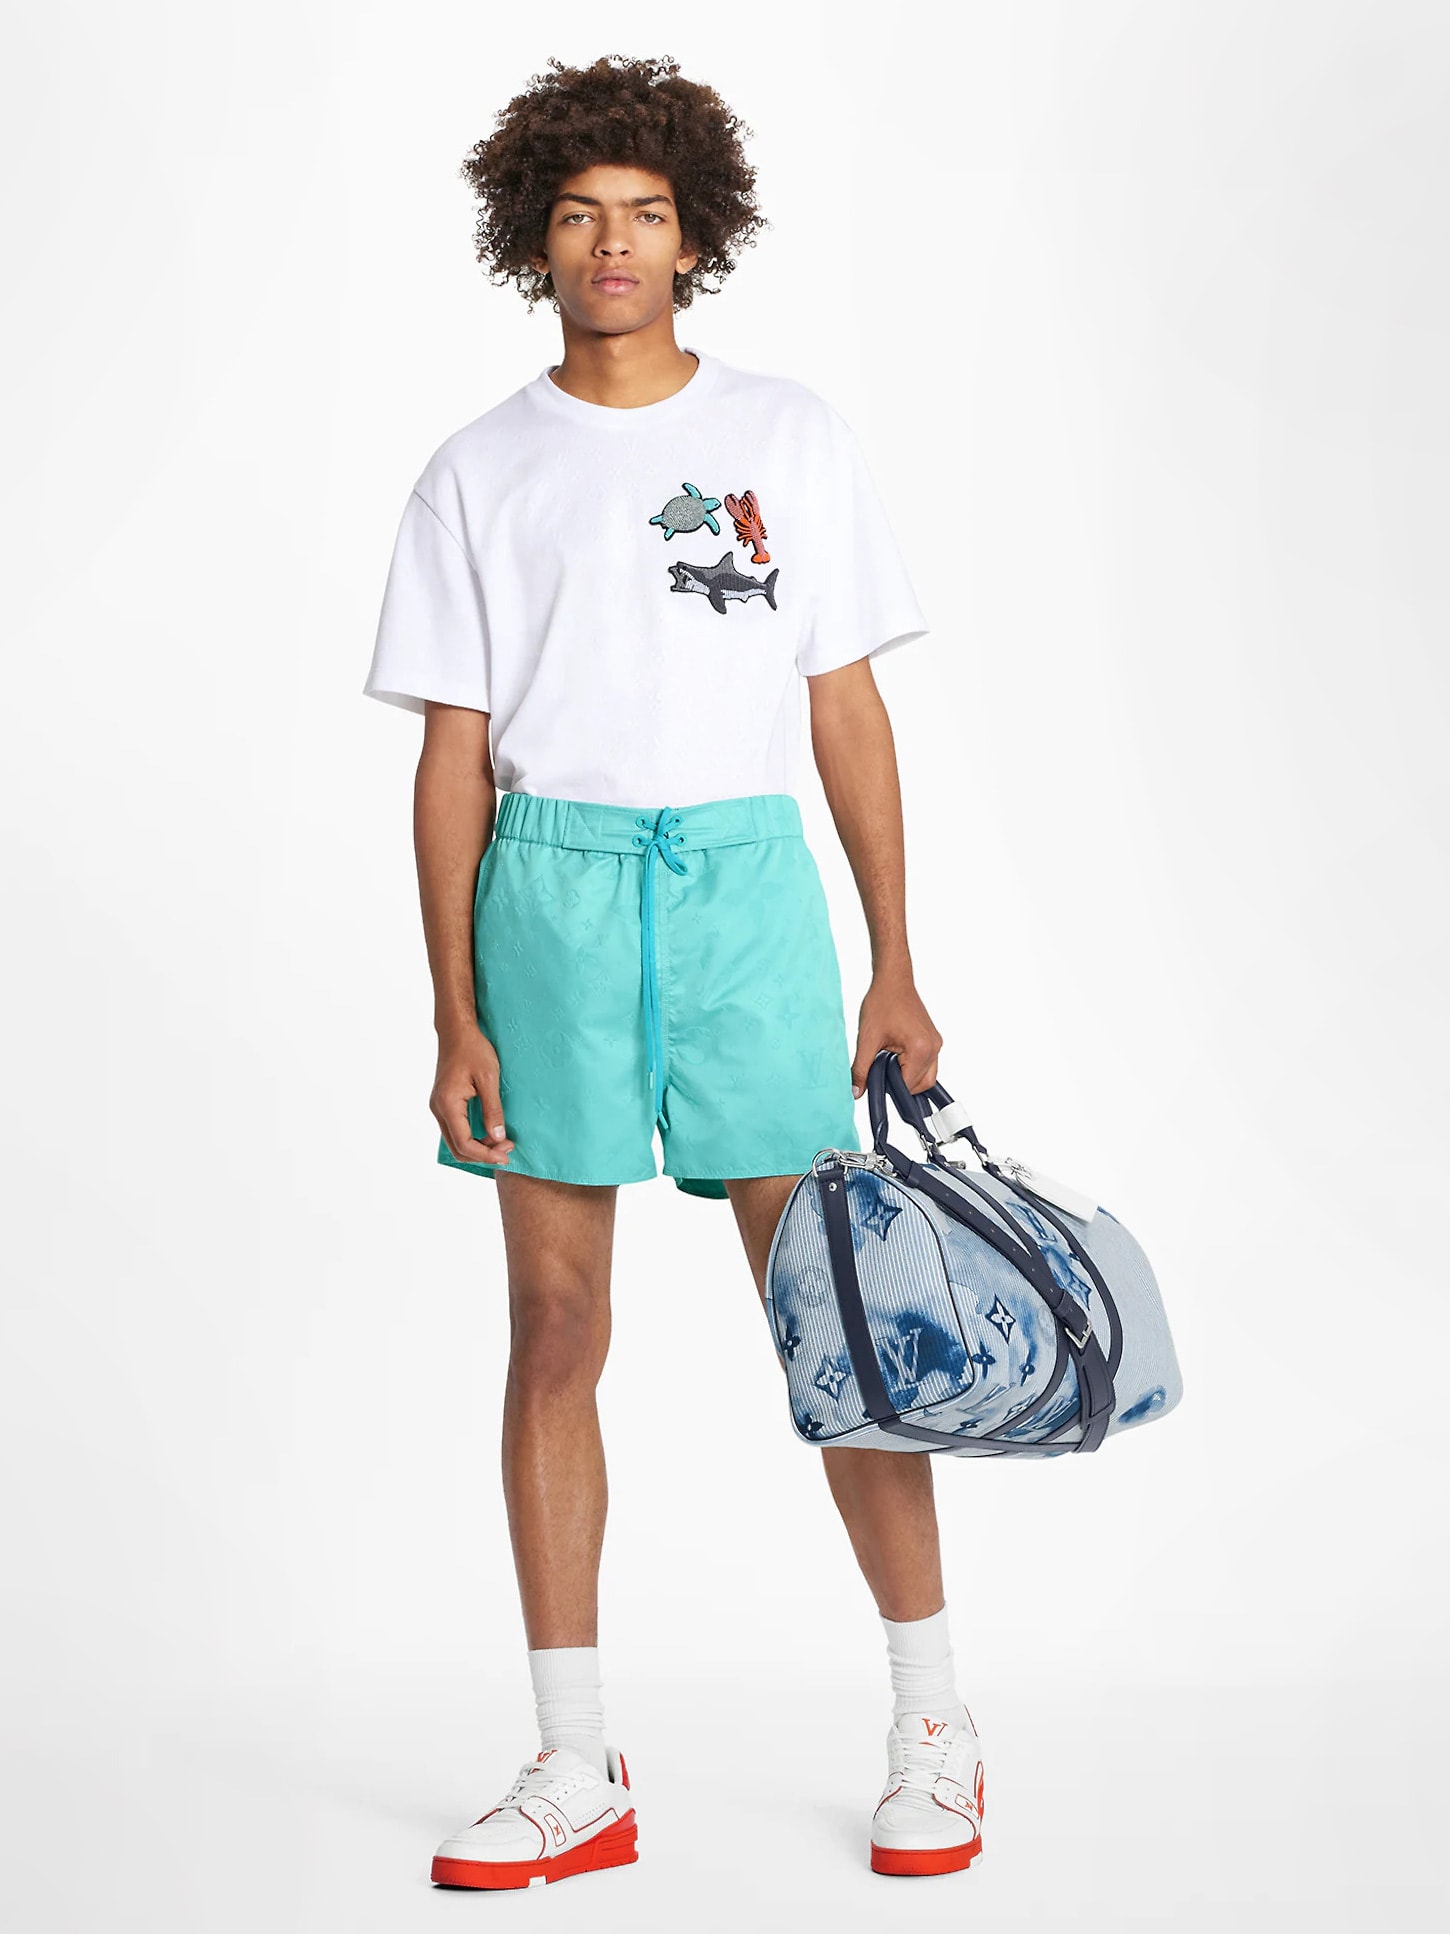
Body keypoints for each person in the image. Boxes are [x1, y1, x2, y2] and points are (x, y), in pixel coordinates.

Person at [362, 52, 984, 1890]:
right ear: (532, 240)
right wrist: (453, 1008)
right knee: (553, 1330)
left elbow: (844, 708)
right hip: (547, 902)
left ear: (695, 236)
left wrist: (894, 960)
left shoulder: (787, 434)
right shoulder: (476, 470)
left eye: (644, 214)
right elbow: (452, 759)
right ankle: (575, 1761)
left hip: (742, 894)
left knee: (836, 1323)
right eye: (579, 215)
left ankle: (934, 1721)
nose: (612, 244)